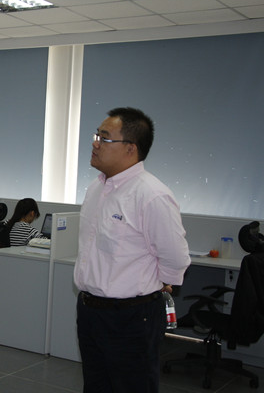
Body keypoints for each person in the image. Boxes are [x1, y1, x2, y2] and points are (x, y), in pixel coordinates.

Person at [73, 107, 191, 393]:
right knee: (96, 385)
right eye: (96, 136)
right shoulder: (95, 189)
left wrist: (160, 283)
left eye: (104, 138)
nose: (95, 144)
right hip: (90, 310)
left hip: (131, 317)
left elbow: (175, 257)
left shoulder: (151, 195)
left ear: (130, 148)